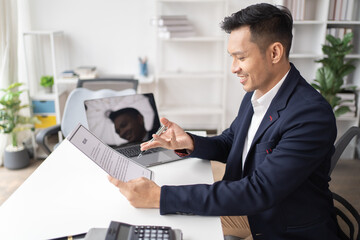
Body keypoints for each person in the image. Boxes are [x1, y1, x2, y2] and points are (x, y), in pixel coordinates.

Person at [108, 3, 339, 239]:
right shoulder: (256, 93)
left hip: (280, 227)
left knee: (176, 227)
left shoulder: (310, 115)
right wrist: (189, 142)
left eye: (241, 57)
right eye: (232, 57)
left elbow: (258, 191)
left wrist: (160, 196)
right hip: (252, 209)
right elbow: (232, 143)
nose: (233, 68)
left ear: (274, 53)